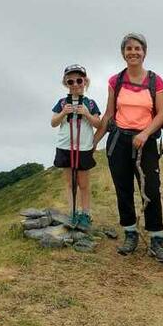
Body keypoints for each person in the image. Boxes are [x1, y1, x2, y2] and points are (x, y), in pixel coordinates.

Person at [93, 33, 163, 262]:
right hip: (119, 140)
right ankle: (130, 233)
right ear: (123, 53)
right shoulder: (115, 81)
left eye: (137, 48)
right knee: (123, 188)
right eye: (129, 49)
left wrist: (146, 133)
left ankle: (157, 238)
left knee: (151, 189)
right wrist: (94, 142)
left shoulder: (155, 81)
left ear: (144, 52)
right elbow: (109, 114)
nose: (133, 52)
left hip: (145, 142)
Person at [50, 64, 101, 230]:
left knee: (84, 184)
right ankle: (72, 212)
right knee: (69, 183)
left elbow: (98, 124)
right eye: (70, 81)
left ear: (85, 81)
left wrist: (86, 113)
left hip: (84, 148)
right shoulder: (62, 102)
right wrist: (63, 113)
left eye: (79, 80)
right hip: (65, 146)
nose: (76, 84)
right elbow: (53, 123)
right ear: (66, 84)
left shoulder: (91, 103)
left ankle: (85, 214)